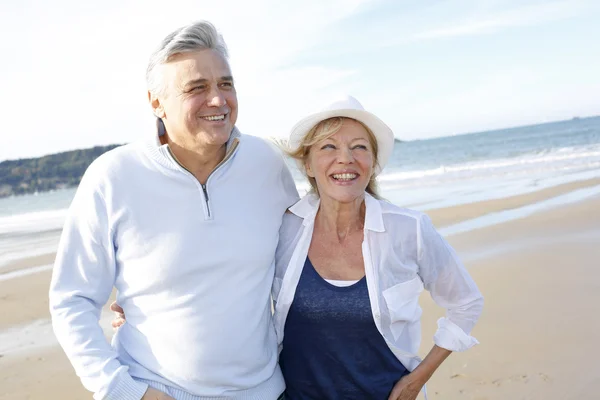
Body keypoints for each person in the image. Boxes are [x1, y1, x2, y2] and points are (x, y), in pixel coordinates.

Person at [49, 20, 298, 400]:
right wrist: (124, 391)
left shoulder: (265, 163)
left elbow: (299, 267)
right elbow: (72, 300)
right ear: (156, 103)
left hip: (266, 392)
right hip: (160, 392)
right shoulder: (112, 177)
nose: (218, 100)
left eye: (225, 84)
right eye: (196, 88)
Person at [272, 95, 484, 399]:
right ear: (307, 164)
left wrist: (416, 380)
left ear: (373, 164)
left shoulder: (409, 229)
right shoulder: (283, 228)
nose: (345, 158)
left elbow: (466, 303)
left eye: (359, 147)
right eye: (328, 146)